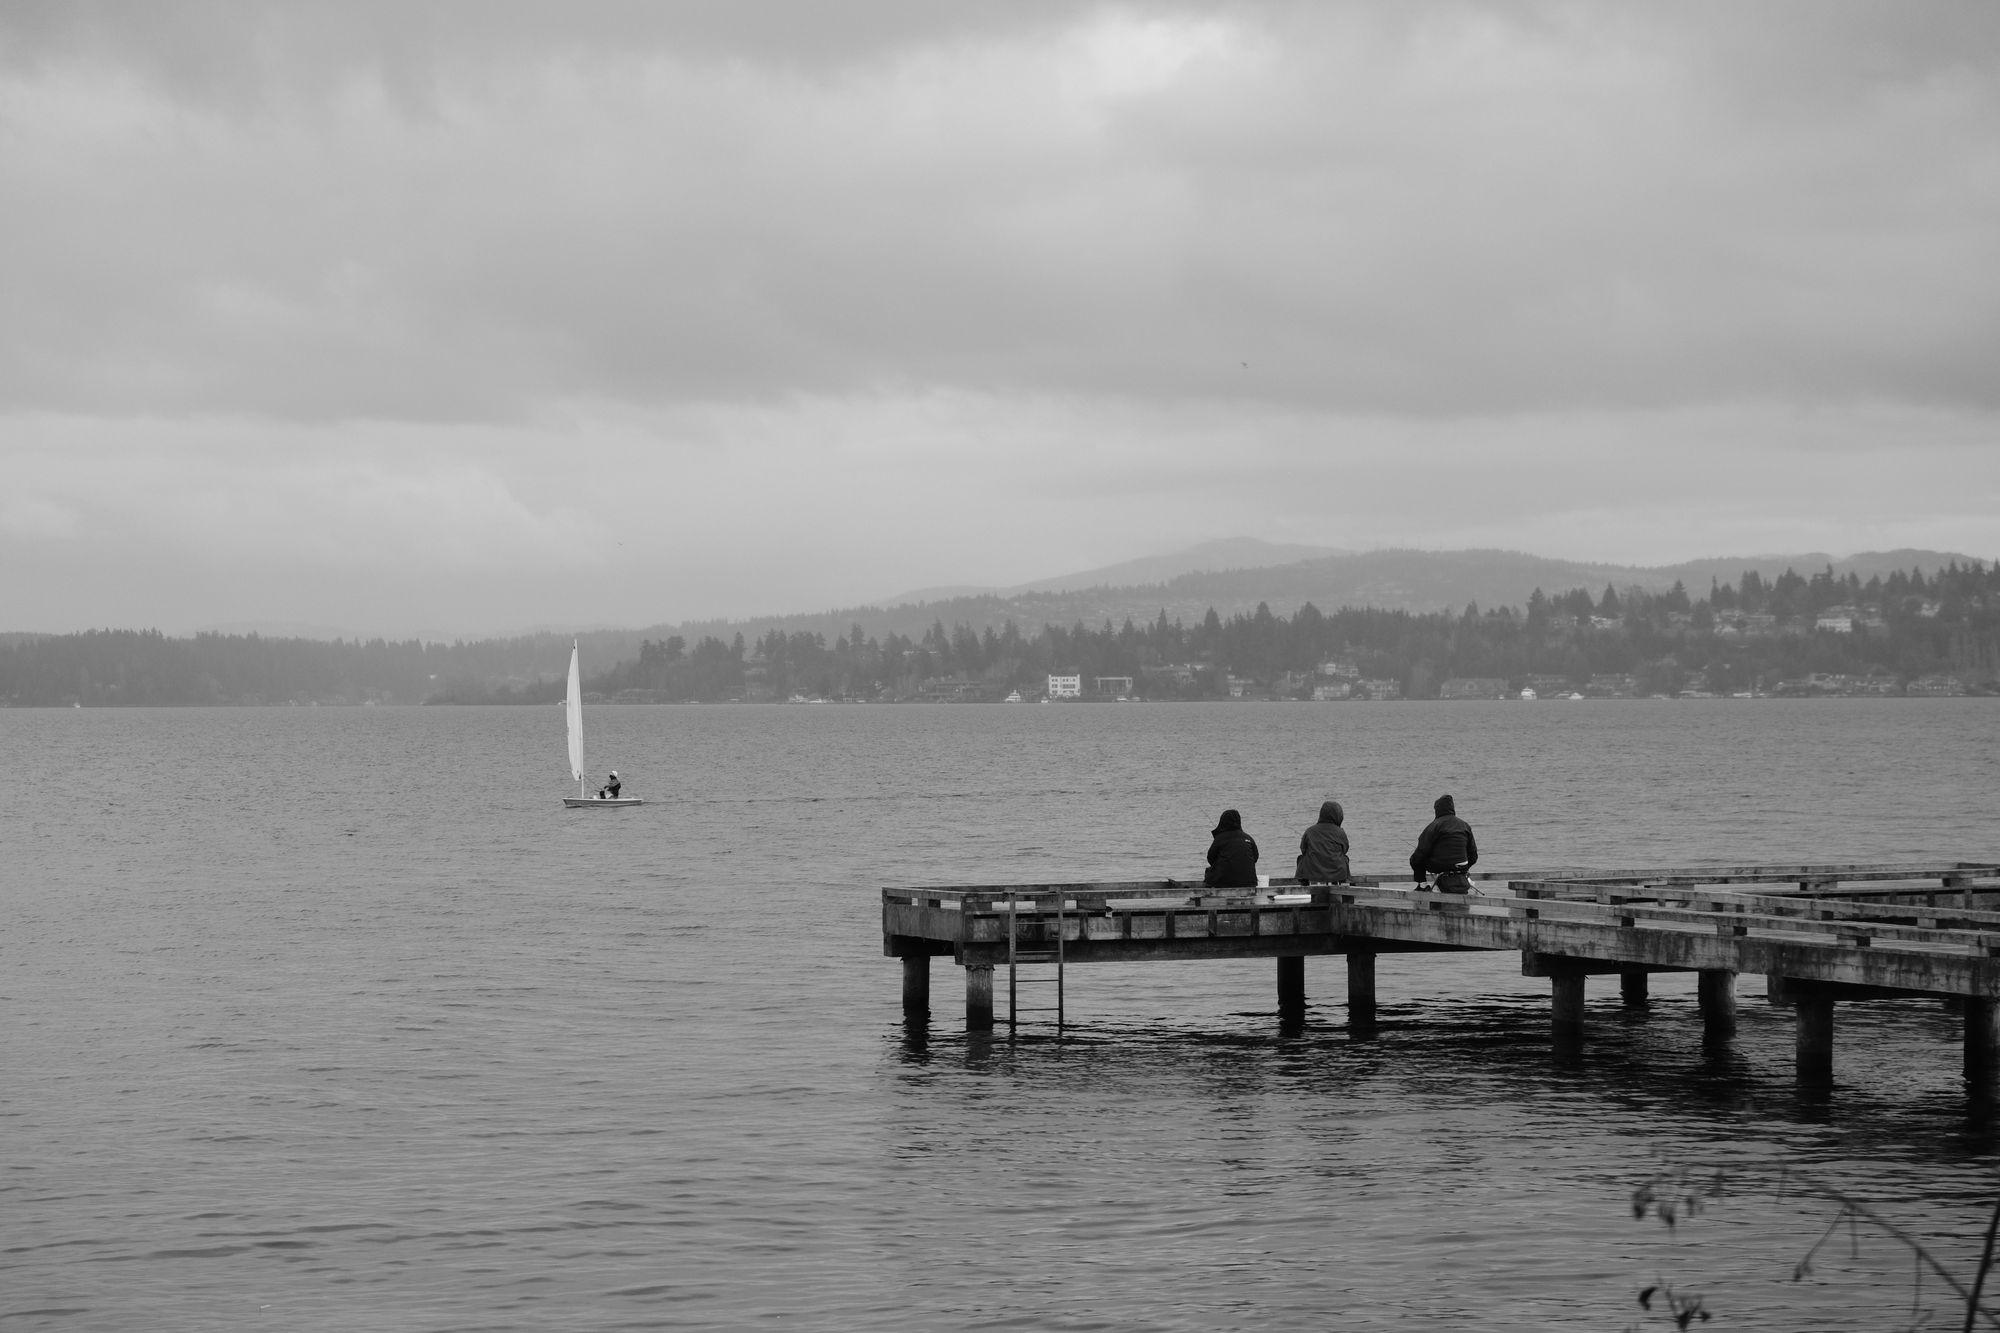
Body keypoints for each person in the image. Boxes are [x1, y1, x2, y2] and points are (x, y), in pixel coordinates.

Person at [1410, 794, 1477, 892]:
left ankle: (1423, 885)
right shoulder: (1465, 825)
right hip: (1462, 866)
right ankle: (1462, 876)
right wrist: (1462, 867)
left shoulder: (1434, 826)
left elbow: (1421, 851)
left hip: (1441, 866)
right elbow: (1473, 855)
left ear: (1437, 810)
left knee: (1416, 859)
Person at [1296, 800, 1351, 885]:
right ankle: (1341, 881)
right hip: (1337, 873)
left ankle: (1304, 882)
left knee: (1301, 859)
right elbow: (1345, 850)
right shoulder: (1340, 832)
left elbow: (1303, 849)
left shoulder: (1310, 831)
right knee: (1345, 859)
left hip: (1313, 873)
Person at [1204, 808, 1259, 888]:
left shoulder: (1219, 838)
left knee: (1209, 872)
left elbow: (1210, 859)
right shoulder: (1248, 838)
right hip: (1250, 882)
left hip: (1224, 882)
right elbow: (1255, 858)